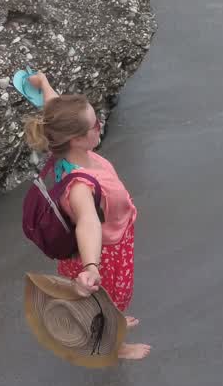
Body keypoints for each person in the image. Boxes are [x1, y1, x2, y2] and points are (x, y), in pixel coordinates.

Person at [23, 72, 151, 361]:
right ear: (78, 139)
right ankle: (114, 346)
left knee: (100, 302)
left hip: (97, 248)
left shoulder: (61, 143)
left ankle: (108, 319)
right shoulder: (80, 185)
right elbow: (88, 224)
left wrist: (43, 84)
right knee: (108, 302)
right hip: (104, 254)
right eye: (95, 124)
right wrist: (92, 267)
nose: (100, 125)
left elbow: (54, 109)